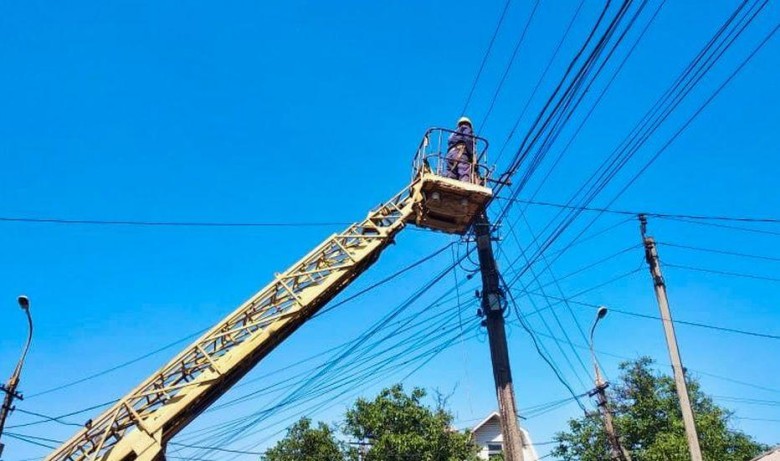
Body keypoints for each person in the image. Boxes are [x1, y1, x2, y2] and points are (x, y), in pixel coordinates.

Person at [445, 117, 476, 182]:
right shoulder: (466, 128)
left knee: (451, 175)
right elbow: (468, 139)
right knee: (464, 172)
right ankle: (466, 187)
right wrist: (471, 154)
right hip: (460, 152)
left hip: (450, 155)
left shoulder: (453, 134)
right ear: (469, 124)